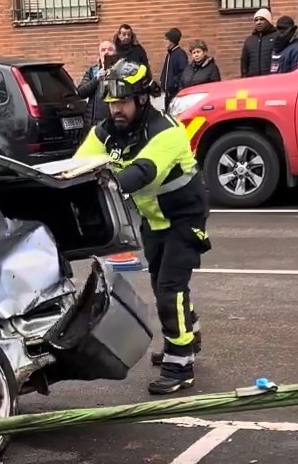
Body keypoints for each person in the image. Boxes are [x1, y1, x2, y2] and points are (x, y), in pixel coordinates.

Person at [73, 60, 210, 395]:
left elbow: (143, 172)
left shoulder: (167, 132)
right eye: (111, 102)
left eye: (122, 102)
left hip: (184, 216)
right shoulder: (107, 130)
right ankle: (188, 333)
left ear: (142, 99)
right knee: (162, 280)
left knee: (169, 290)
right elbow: (80, 165)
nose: (115, 109)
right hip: (153, 218)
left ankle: (180, 365)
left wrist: (108, 185)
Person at [77, 40, 118, 128]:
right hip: (95, 122)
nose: (107, 52)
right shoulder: (93, 71)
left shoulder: (122, 70)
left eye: (110, 49)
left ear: (115, 53)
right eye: (103, 50)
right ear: (99, 55)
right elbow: (81, 92)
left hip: (116, 120)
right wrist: (96, 79)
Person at [241, 8, 278, 78]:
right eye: (256, 20)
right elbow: (244, 62)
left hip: (271, 79)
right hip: (253, 80)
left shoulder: (276, 37)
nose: (258, 22)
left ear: (268, 21)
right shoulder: (249, 40)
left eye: (262, 19)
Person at [159, 29, 189, 105]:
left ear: (172, 41)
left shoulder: (180, 54)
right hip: (168, 92)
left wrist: (174, 83)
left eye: (166, 39)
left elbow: (184, 72)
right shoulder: (170, 53)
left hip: (174, 92)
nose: (164, 41)